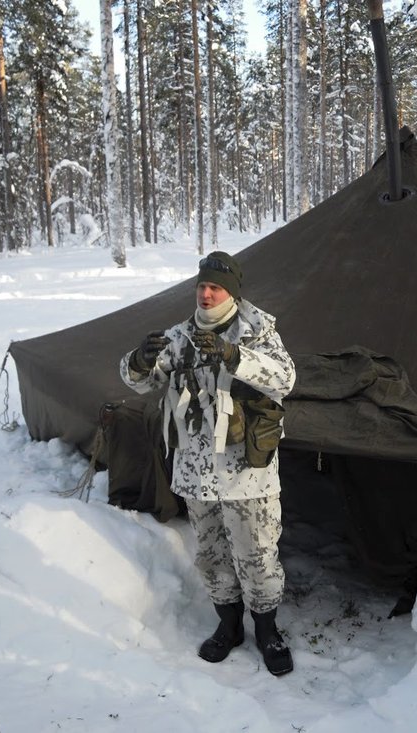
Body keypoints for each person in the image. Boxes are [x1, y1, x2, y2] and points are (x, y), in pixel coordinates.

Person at [120, 252, 297, 675]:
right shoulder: (179, 336)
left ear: (231, 292)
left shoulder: (257, 331)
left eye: (215, 287)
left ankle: (267, 630)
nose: (205, 293)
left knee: (256, 554)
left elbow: (285, 379)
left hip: (246, 473)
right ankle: (229, 626)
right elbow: (138, 382)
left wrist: (233, 355)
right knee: (213, 555)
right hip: (197, 473)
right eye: (201, 286)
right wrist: (139, 360)